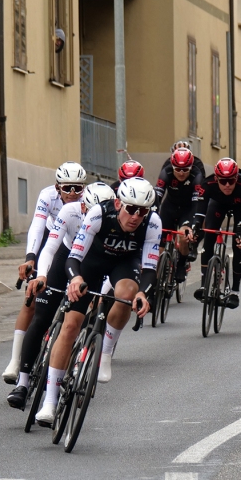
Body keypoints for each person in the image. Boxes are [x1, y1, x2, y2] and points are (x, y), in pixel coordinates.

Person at [34, 177, 160, 426]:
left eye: (142, 211)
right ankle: (49, 402)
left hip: (124, 264)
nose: (136, 216)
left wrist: (143, 293)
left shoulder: (153, 223)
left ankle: (105, 353)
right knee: (71, 326)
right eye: (131, 209)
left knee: (127, 294)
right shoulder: (98, 214)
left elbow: (149, 268)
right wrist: (75, 279)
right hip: (91, 261)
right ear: (118, 204)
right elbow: (73, 257)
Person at [6, 182, 115, 409]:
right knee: (41, 317)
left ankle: (72, 366)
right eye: (89, 211)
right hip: (65, 256)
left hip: (91, 265)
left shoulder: (114, 222)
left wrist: (102, 295)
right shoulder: (70, 211)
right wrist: (42, 275)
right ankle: (22, 383)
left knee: (79, 321)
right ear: (83, 206)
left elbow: (111, 267)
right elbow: (50, 247)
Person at [2, 161, 87, 385]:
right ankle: (15, 360)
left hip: (75, 241)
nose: (72, 193)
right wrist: (30, 257)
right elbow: (38, 226)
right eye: (67, 187)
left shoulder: (87, 202)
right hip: (51, 238)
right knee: (32, 300)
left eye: (78, 188)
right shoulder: (48, 196)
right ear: (57, 187)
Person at [190, 158, 241, 309]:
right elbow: (199, 215)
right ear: (216, 178)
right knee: (209, 235)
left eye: (231, 181)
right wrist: (195, 230)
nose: (227, 185)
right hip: (218, 205)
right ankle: (204, 285)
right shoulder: (208, 184)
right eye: (223, 181)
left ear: (236, 178)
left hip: (240, 207)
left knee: (238, 243)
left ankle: (235, 292)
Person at [154, 147, 203, 282]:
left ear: (191, 167)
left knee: (183, 236)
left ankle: (181, 264)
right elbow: (157, 197)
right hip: (169, 207)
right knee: (160, 246)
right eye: (178, 169)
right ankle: (156, 281)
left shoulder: (197, 176)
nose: (181, 173)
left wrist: (194, 224)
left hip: (188, 209)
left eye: (185, 169)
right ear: (172, 166)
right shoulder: (166, 172)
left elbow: (196, 204)